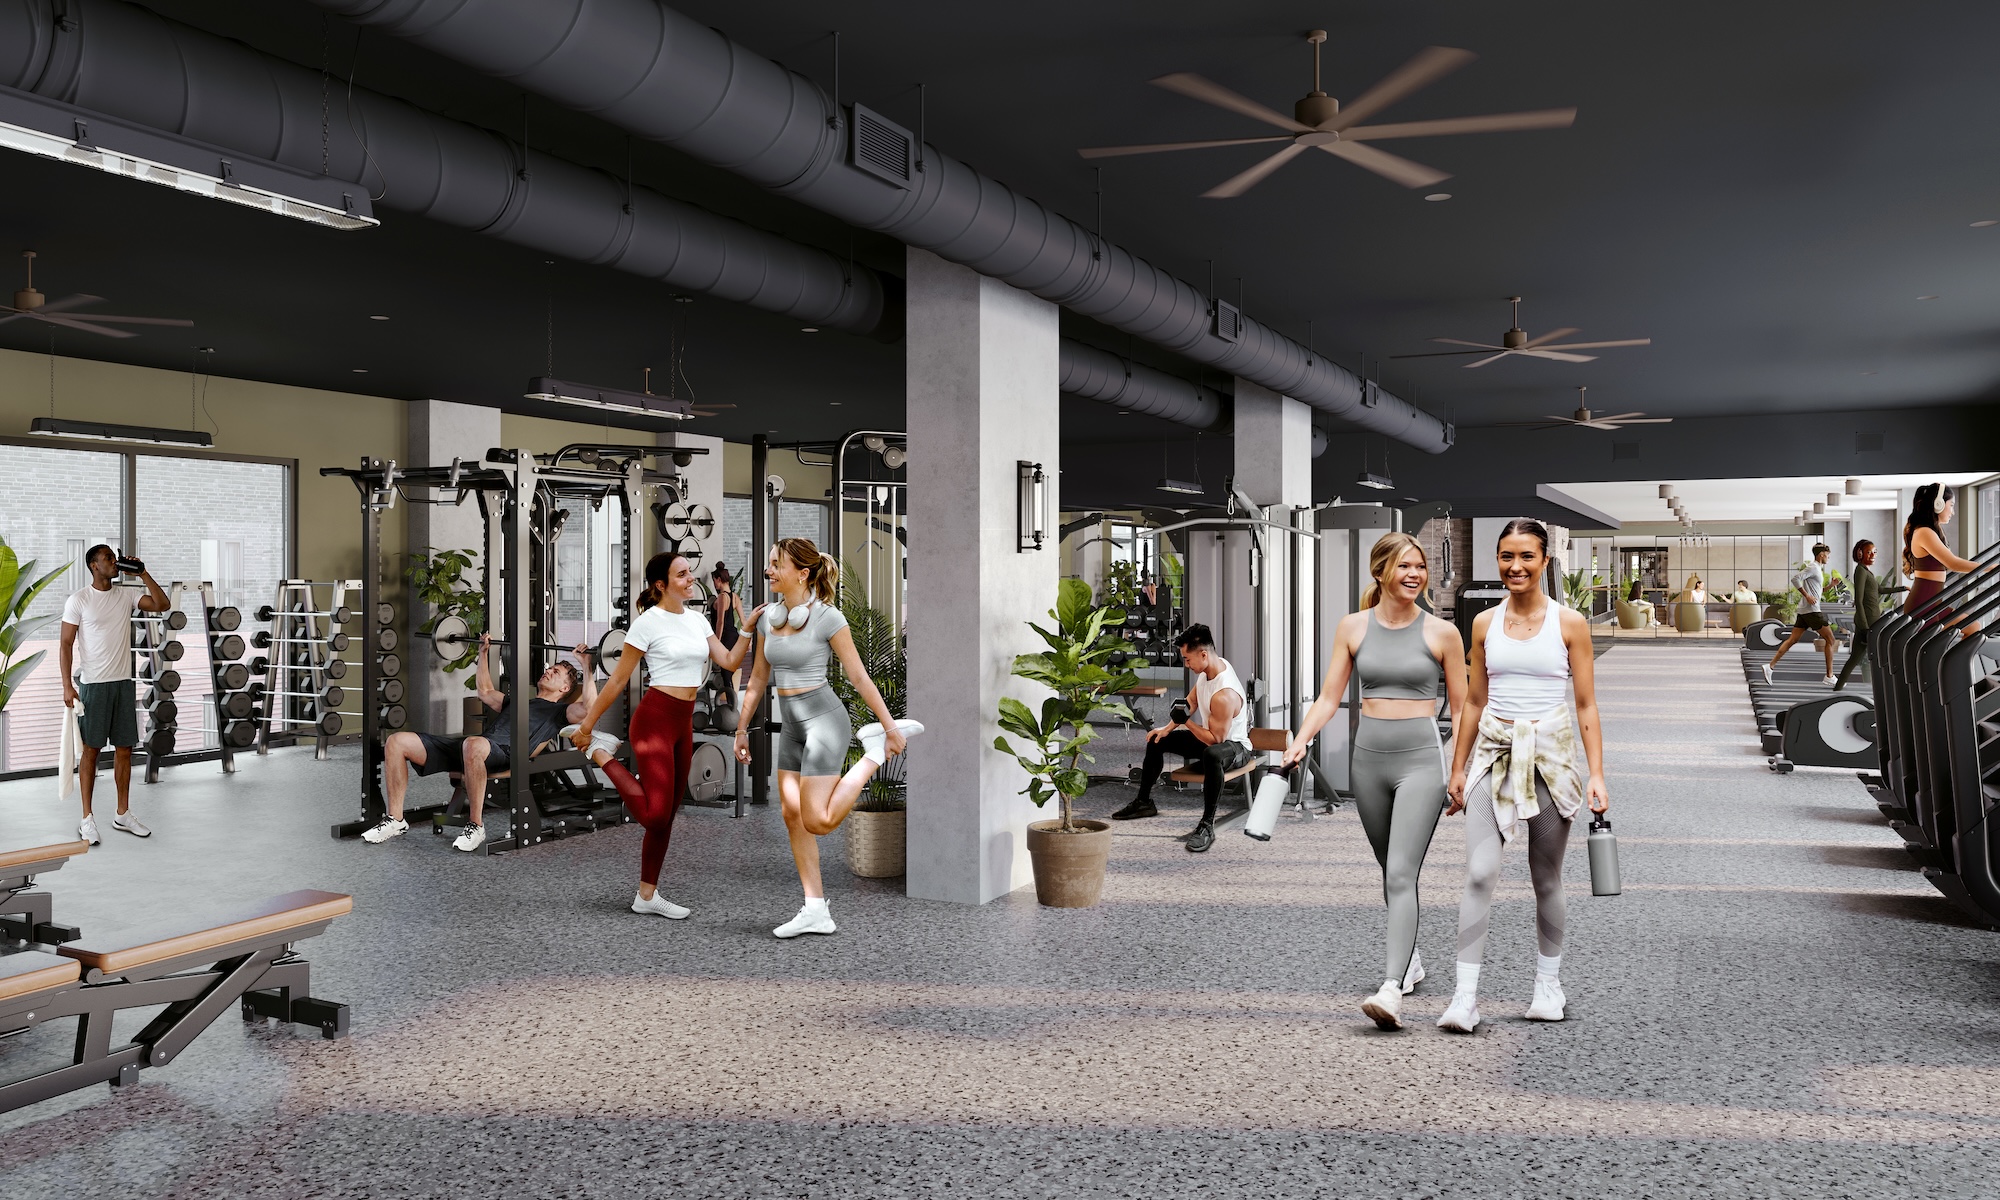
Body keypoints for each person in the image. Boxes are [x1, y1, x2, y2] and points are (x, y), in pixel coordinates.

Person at [1284, 533, 1467, 1030]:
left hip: (1422, 762)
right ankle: (1410, 960)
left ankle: (1391, 988)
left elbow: (1468, 706)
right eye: (1405, 566)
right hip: (1369, 761)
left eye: (1420, 567)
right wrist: (1301, 739)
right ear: (1380, 571)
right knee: (1390, 869)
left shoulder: (1442, 633)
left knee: (1401, 873)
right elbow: (1328, 698)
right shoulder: (1352, 627)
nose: (1415, 574)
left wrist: (1459, 770)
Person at [1440, 519, 1608, 1032]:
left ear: (1545, 561)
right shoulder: (1484, 624)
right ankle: (1464, 997)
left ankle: (1548, 985)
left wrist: (1597, 773)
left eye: (1526, 557)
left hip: (1550, 759)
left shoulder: (1571, 624)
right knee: (1479, 873)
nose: (1515, 567)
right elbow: (1474, 699)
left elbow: (1585, 705)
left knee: (1545, 877)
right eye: (1506, 557)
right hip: (1493, 753)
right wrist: (1458, 766)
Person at [732, 537, 922, 938]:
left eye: (776, 564)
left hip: (824, 720)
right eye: (769, 563)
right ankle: (815, 910)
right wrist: (741, 729)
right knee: (792, 816)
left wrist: (889, 727)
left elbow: (858, 676)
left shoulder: (828, 618)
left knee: (817, 820)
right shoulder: (769, 619)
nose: (769, 570)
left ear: (802, 572)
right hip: (792, 726)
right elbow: (758, 680)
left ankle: (871, 755)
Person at [570, 551, 761, 917]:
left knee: (667, 815)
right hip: (655, 720)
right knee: (656, 815)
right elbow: (619, 681)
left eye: (690, 572)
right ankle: (601, 752)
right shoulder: (647, 624)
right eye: (683, 574)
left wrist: (747, 625)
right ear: (662, 585)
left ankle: (646, 895)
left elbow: (730, 661)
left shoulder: (697, 620)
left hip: (682, 723)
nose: (692, 578)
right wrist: (587, 726)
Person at [366, 637, 601, 852]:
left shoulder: (559, 712)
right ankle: (395, 819)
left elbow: (590, 708)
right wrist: (483, 652)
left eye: (555, 671)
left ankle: (476, 826)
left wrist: (587, 666)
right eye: (549, 668)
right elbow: (485, 691)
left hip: (505, 754)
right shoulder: (518, 701)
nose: (548, 671)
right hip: (474, 748)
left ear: (565, 689)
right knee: (397, 742)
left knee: (473, 744)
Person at [58, 546, 172, 843]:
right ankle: (87, 818)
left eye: (113, 556)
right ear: (94, 566)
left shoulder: (126, 594)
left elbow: (162, 604)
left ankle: (122, 814)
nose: (113, 561)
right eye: (108, 558)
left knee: (124, 749)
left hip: (123, 683)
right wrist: (67, 685)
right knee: (91, 752)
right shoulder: (79, 600)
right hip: (93, 685)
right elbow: (65, 644)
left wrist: (143, 572)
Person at [1111, 624, 1251, 854]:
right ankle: (1144, 802)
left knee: (1212, 754)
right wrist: (1165, 729)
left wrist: (1187, 722)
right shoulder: (1209, 670)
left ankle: (1207, 825)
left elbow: (1216, 740)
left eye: (1187, 659)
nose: (1186, 664)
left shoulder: (1224, 695)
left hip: (1234, 748)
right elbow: (1190, 703)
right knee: (1157, 740)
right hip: (1210, 739)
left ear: (1203, 654)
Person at [1903, 482, 1986, 632]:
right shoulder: (1925, 532)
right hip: (1924, 605)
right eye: (1952, 505)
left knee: (1973, 627)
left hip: (1932, 603)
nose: (1952, 511)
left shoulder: (1930, 531)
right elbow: (1952, 563)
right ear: (1938, 504)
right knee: (1970, 629)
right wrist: (1988, 568)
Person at [1832, 540, 1905, 691]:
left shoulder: (1866, 571)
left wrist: (1902, 588)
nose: (1872, 555)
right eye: (1868, 552)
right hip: (1868, 622)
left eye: (1874, 552)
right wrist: (1864, 627)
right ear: (1859, 554)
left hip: (1872, 621)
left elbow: (1880, 590)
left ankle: (1838, 687)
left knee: (1855, 658)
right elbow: (1858, 600)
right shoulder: (1860, 571)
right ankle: (1885, 687)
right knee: (1878, 655)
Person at [1762, 543, 1837, 686]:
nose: (1829, 558)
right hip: (1812, 611)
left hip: (1804, 611)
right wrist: (1807, 596)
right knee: (1831, 640)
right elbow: (1795, 579)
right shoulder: (1813, 567)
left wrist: (1830, 586)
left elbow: (1818, 591)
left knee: (1792, 640)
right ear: (1821, 555)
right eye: (1828, 555)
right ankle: (1829, 676)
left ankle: (1770, 666)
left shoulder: (1818, 569)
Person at [709, 562, 748, 705]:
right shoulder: (735, 597)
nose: (714, 584)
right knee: (728, 673)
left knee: (726, 674)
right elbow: (744, 620)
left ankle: (732, 707)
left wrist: (716, 643)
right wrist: (748, 640)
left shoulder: (721, 597)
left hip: (725, 638)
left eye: (714, 581)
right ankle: (732, 706)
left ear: (718, 579)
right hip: (735, 637)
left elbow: (720, 622)